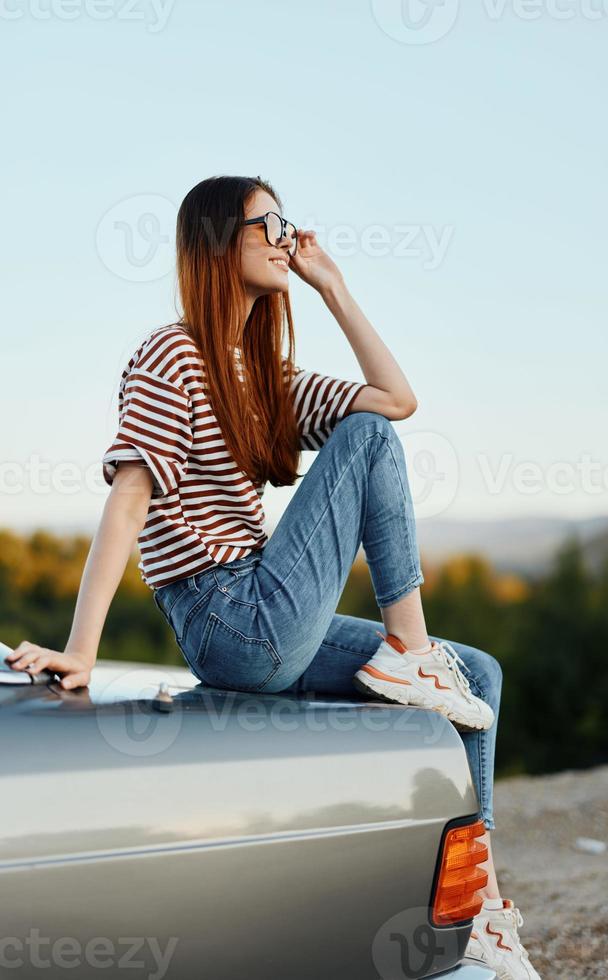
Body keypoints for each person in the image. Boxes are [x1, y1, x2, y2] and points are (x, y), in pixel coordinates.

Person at [5, 175, 539, 979]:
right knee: (363, 443)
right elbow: (128, 502)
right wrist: (83, 649)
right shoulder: (171, 352)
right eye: (271, 224)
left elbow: (398, 397)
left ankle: (483, 916)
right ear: (223, 243)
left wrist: (334, 286)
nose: (288, 237)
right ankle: (411, 650)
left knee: (483, 677)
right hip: (227, 614)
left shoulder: (265, 374)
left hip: (268, 611)